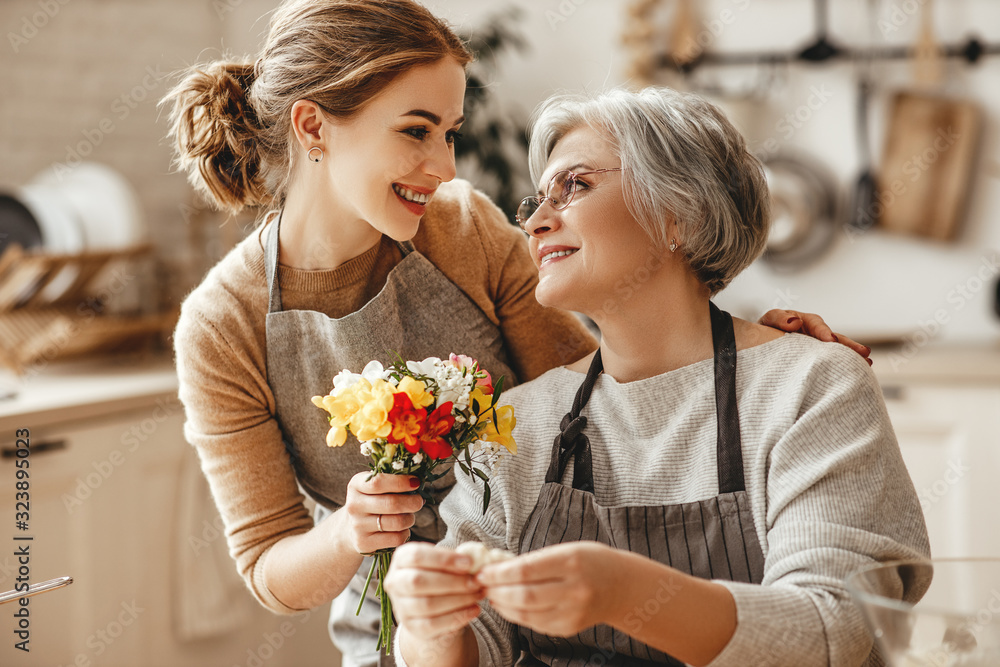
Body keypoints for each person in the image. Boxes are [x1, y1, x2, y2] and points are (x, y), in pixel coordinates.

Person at [163, 1, 870, 664]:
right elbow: (267, 564)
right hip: (405, 631)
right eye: (416, 131)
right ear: (313, 127)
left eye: (450, 133)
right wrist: (354, 531)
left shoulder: (462, 228)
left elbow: (605, 389)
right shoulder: (222, 326)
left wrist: (754, 353)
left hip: (543, 586)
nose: (444, 168)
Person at [385, 86, 929, 667]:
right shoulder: (521, 419)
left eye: (575, 185)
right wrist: (429, 626)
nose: (537, 222)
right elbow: (477, 651)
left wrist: (624, 592)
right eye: (535, 202)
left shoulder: (811, 387)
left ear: (679, 213)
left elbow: (832, 630)